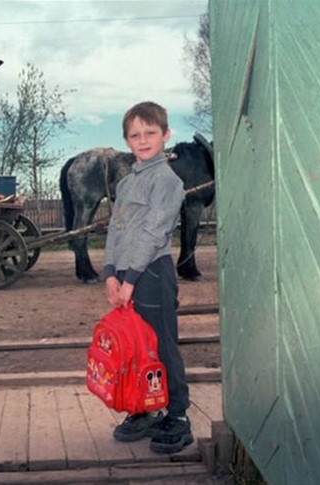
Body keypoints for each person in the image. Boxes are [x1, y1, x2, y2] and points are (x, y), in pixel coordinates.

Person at [103, 101, 193, 454]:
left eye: (150, 133)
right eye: (135, 135)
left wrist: (131, 280)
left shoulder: (167, 182)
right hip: (125, 274)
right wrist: (111, 272)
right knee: (136, 348)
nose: (143, 140)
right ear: (127, 141)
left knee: (162, 345)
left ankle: (179, 414)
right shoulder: (126, 184)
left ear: (165, 135)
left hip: (152, 273)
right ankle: (147, 408)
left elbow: (154, 234)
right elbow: (116, 229)